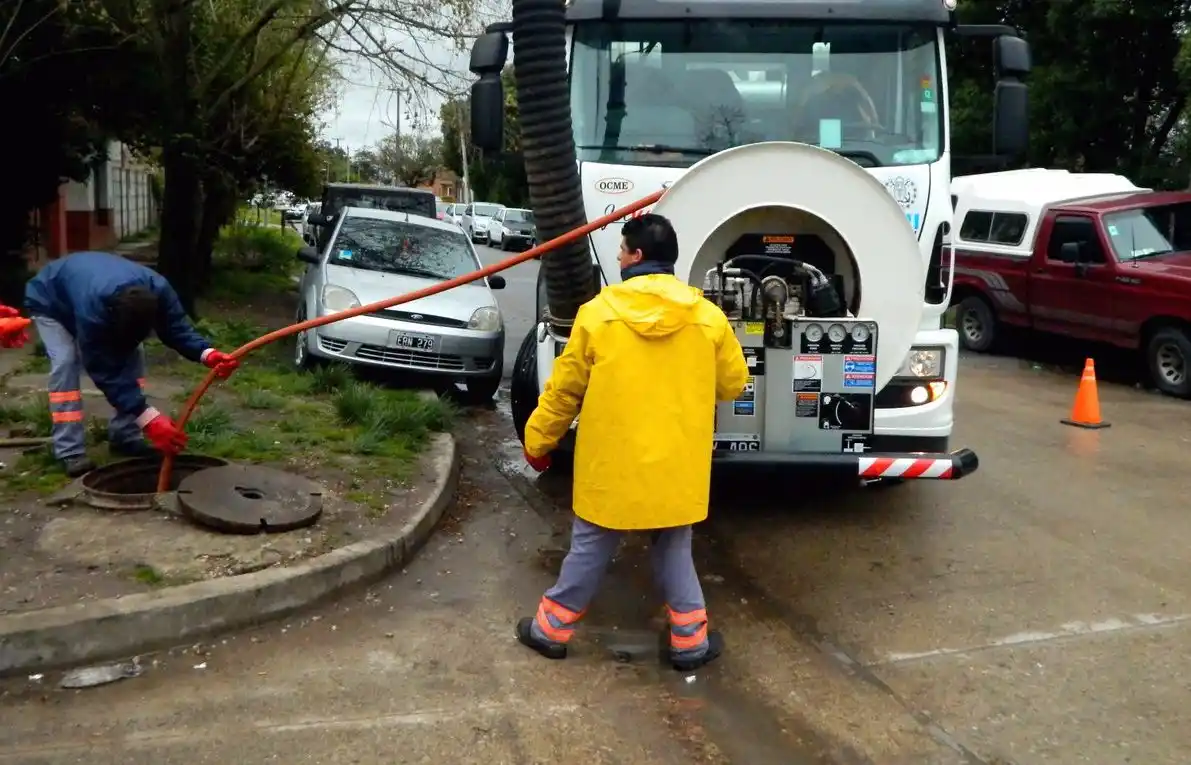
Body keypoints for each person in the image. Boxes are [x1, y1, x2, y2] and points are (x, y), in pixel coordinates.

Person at [516, 213, 750, 671]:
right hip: (675, 466)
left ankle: (550, 631)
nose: (619, 257)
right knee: (673, 549)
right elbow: (733, 384)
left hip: (612, 466)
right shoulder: (708, 318)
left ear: (636, 256)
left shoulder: (598, 315)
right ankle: (689, 643)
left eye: (622, 250)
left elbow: (565, 391)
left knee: (590, 547)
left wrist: (538, 440)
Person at [24, 252, 241, 477]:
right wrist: (148, 418)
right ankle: (69, 451)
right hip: (50, 300)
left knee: (133, 355)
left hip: (84, 284)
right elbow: (104, 369)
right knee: (66, 363)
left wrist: (207, 354)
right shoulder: (94, 309)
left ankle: (125, 438)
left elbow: (177, 328)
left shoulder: (159, 291)